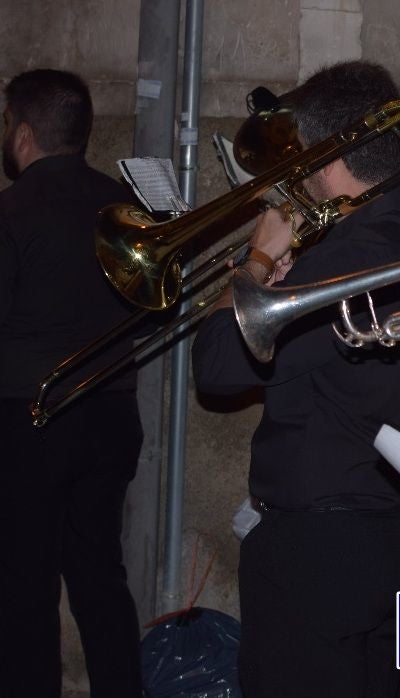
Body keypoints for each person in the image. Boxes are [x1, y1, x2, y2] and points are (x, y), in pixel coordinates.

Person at [191, 61, 400, 697]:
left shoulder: (347, 258)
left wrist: (257, 262)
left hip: (321, 551)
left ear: (322, 155)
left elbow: (219, 367)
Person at [0, 69, 143, 697]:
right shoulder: (123, 208)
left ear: (23, 133)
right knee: (98, 575)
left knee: (23, 583)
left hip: (29, 417)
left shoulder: (10, 211)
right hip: (111, 414)